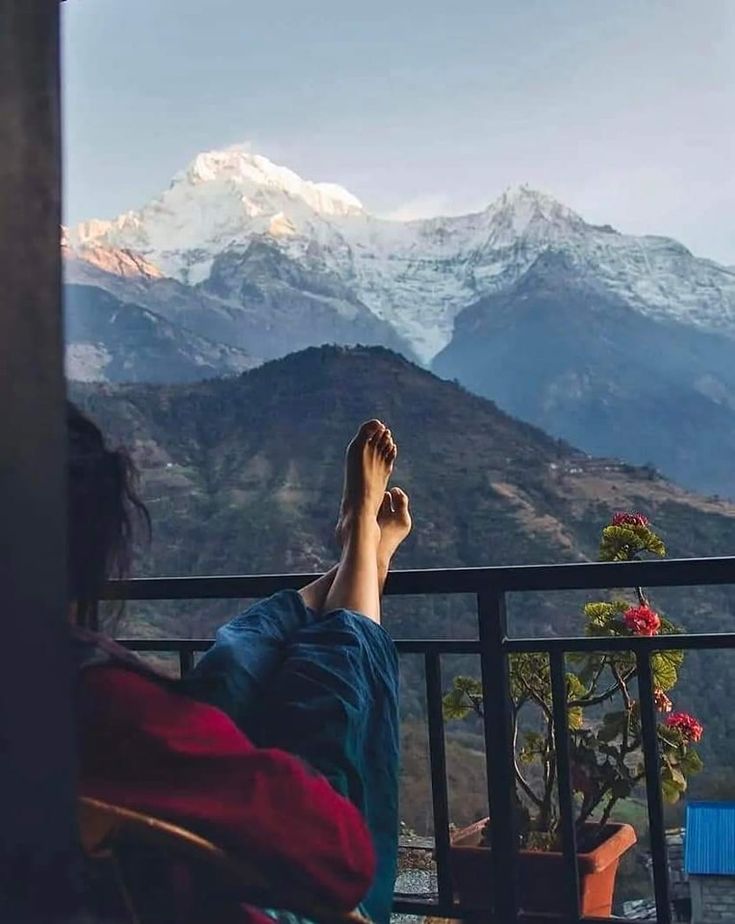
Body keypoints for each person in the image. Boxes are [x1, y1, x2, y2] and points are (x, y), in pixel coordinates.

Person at [68, 402, 412, 924]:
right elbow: (340, 858)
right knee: (333, 707)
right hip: (274, 908)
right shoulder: (98, 707)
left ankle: (358, 559)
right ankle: (362, 550)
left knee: (229, 668)